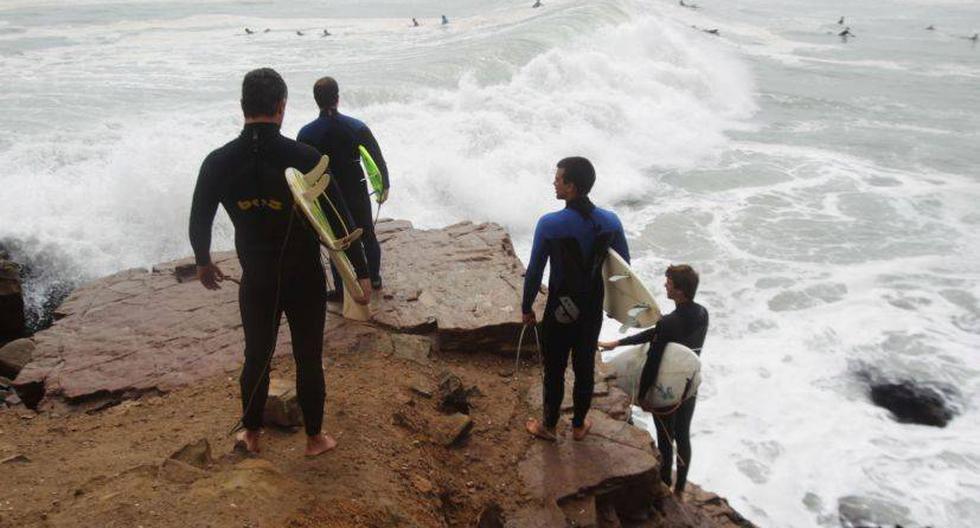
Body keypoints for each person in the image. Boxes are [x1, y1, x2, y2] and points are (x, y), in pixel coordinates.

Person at [189, 68, 371, 457]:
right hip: (303, 275)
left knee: (256, 355)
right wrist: (361, 274)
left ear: (242, 107)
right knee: (308, 356)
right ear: (281, 106)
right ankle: (314, 438)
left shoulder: (217, 162)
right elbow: (342, 222)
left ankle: (251, 433)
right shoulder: (306, 158)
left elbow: (199, 218)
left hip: (257, 277)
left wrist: (204, 262)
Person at [522, 157, 629, 442]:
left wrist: (526, 307)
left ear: (570, 187)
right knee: (584, 366)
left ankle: (549, 425)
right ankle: (580, 424)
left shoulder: (550, 224)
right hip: (591, 307)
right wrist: (615, 308)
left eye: (558, 179)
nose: (554, 182)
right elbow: (623, 269)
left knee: (555, 369)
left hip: (560, 309)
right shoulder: (610, 221)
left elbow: (534, 271)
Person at [598, 265, 708, 500]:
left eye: (668, 283)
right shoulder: (702, 314)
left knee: (666, 437)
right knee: (683, 434)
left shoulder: (669, 323)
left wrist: (645, 395)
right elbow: (658, 334)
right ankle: (679, 489)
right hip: (689, 384)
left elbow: (653, 362)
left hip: (667, 388)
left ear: (679, 291)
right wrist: (618, 342)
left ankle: (666, 483)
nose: (664, 285)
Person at [298, 77, 390, 297]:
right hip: (356, 188)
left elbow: (301, 170)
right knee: (366, 233)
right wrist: (384, 185)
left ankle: (341, 289)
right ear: (337, 98)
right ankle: (374, 278)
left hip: (326, 193)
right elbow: (377, 158)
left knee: (336, 240)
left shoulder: (306, 133)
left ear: (316, 101)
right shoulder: (356, 126)